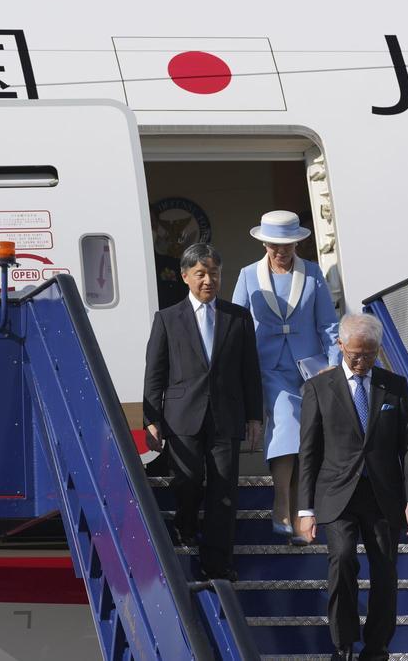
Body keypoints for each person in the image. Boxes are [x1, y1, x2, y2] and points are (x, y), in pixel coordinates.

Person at [296, 313, 408, 661]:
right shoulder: (318, 388)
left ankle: (377, 646)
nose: (361, 361)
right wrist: (305, 509)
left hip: (383, 495)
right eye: (355, 353)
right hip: (336, 495)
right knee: (342, 559)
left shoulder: (394, 386)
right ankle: (343, 643)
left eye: (369, 354)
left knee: (385, 569)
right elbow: (308, 452)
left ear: (378, 350)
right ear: (340, 345)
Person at [143, 243, 264, 581]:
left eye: (214, 273)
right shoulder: (167, 319)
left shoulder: (238, 317)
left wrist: (255, 418)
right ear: (185, 277)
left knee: (224, 489)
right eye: (201, 273)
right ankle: (184, 524)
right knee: (189, 480)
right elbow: (155, 372)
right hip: (182, 415)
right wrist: (152, 422)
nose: (208, 280)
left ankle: (218, 564)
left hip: (227, 416)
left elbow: (249, 372)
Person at [233, 210, 339, 543]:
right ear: (264, 243)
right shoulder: (248, 275)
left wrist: (334, 363)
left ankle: (299, 513)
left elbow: (328, 324)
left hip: (309, 369)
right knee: (286, 423)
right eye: (275, 245)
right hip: (267, 368)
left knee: (305, 438)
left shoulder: (313, 274)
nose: (281, 251)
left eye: (288, 245)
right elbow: (236, 325)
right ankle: (282, 503)